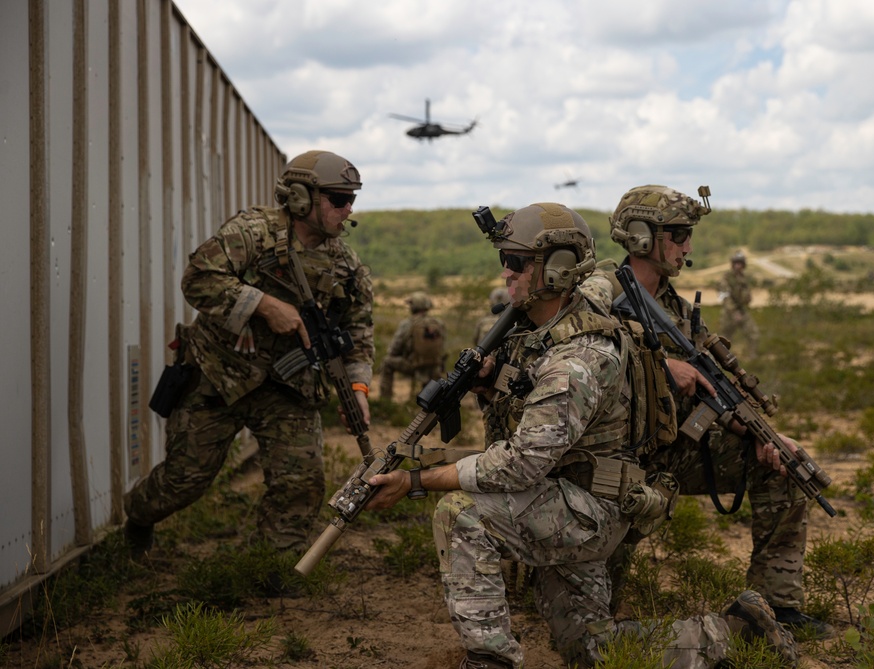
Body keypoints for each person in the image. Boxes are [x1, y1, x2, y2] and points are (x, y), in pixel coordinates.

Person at [365, 203, 797, 669]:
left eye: (515, 262)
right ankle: (735, 632)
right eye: (503, 260)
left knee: (461, 513)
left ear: (556, 269)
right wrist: (495, 381)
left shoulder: (577, 359)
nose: (505, 273)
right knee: (592, 649)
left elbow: (520, 463)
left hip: (589, 510)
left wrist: (416, 481)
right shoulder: (544, 333)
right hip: (571, 495)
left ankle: (488, 660)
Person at [604, 184, 832, 640]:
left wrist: (762, 435)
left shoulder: (680, 312)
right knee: (592, 618)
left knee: (785, 466)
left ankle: (778, 607)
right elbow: (567, 362)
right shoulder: (597, 291)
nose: (688, 246)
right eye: (680, 234)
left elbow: (713, 388)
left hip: (668, 449)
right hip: (608, 460)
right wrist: (662, 367)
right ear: (642, 236)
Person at [123, 150, 374, 555]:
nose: (348, 209)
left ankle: (274, 566)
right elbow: (198, 280)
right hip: (218, 374)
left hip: (287, 387)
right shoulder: (252, 233)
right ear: (300, 197)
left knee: (301, 483)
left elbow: (359, 330)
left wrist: (358, 388)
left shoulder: (345, 265)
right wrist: (263, 305)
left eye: (352, 200)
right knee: (184, 481)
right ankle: (137, 516)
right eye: (338, 198)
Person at [378, 291, 447, 401]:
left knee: (387, 362)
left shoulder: (407, 324)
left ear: (414, 306)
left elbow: (394, 349)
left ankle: (385, 400)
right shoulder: (438, 323)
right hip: (435, 367)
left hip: (413, 366)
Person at [717, 250, 760, 358]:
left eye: (740, 263)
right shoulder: (727, 278)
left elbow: (746, 296)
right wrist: (733, 312)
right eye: (736, 263)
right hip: (729, 313)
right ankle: (722, 359)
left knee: (753, 334)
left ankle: (752, 357)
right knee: (725, 339)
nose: (738, 266)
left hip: (742, 310)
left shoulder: (743, 278)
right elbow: (725, 296)